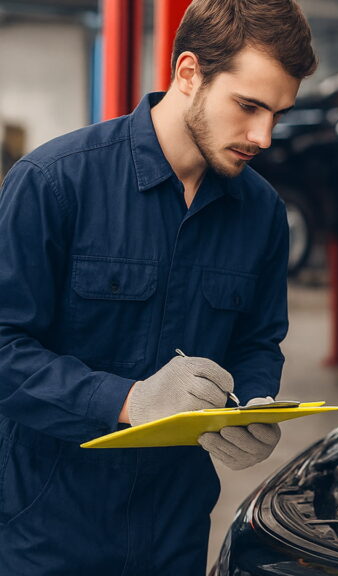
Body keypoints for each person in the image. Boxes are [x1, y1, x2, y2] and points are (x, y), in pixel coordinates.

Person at [0, 0, 316, 573]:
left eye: (278, 113)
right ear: (189, 72)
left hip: (177, 527)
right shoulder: (53, 184)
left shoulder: (262, 213)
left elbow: (257, 340)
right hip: (46, 528)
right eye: (248, 106)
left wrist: (252, 405)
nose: (263, 135)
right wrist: (126, 402)